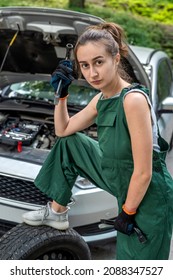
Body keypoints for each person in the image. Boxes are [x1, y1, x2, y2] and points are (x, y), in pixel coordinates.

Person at [22, 22, 173, 260]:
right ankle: (57, 212)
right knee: (70, 143)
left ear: (115, 58)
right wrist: (61, 96)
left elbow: (144, 172)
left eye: (98, 62)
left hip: (149, 193)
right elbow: (63, 131)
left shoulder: (132, 100)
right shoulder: (101, 98)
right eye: (85, 65)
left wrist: (127, 212)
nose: (92, 73)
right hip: (117, 174)